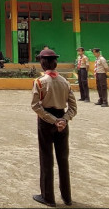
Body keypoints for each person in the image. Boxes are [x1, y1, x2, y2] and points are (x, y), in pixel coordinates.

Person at [31, 49, 77, 207]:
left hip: (46, 120)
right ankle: (67, 196)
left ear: (42, 64)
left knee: (46, 158)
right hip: (62, 121)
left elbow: (36, 106)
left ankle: (48, 196)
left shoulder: (40, 82)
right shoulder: (65, 82)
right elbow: (73, 107)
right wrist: (63, 120)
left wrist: (52, 120)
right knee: (63, 159)